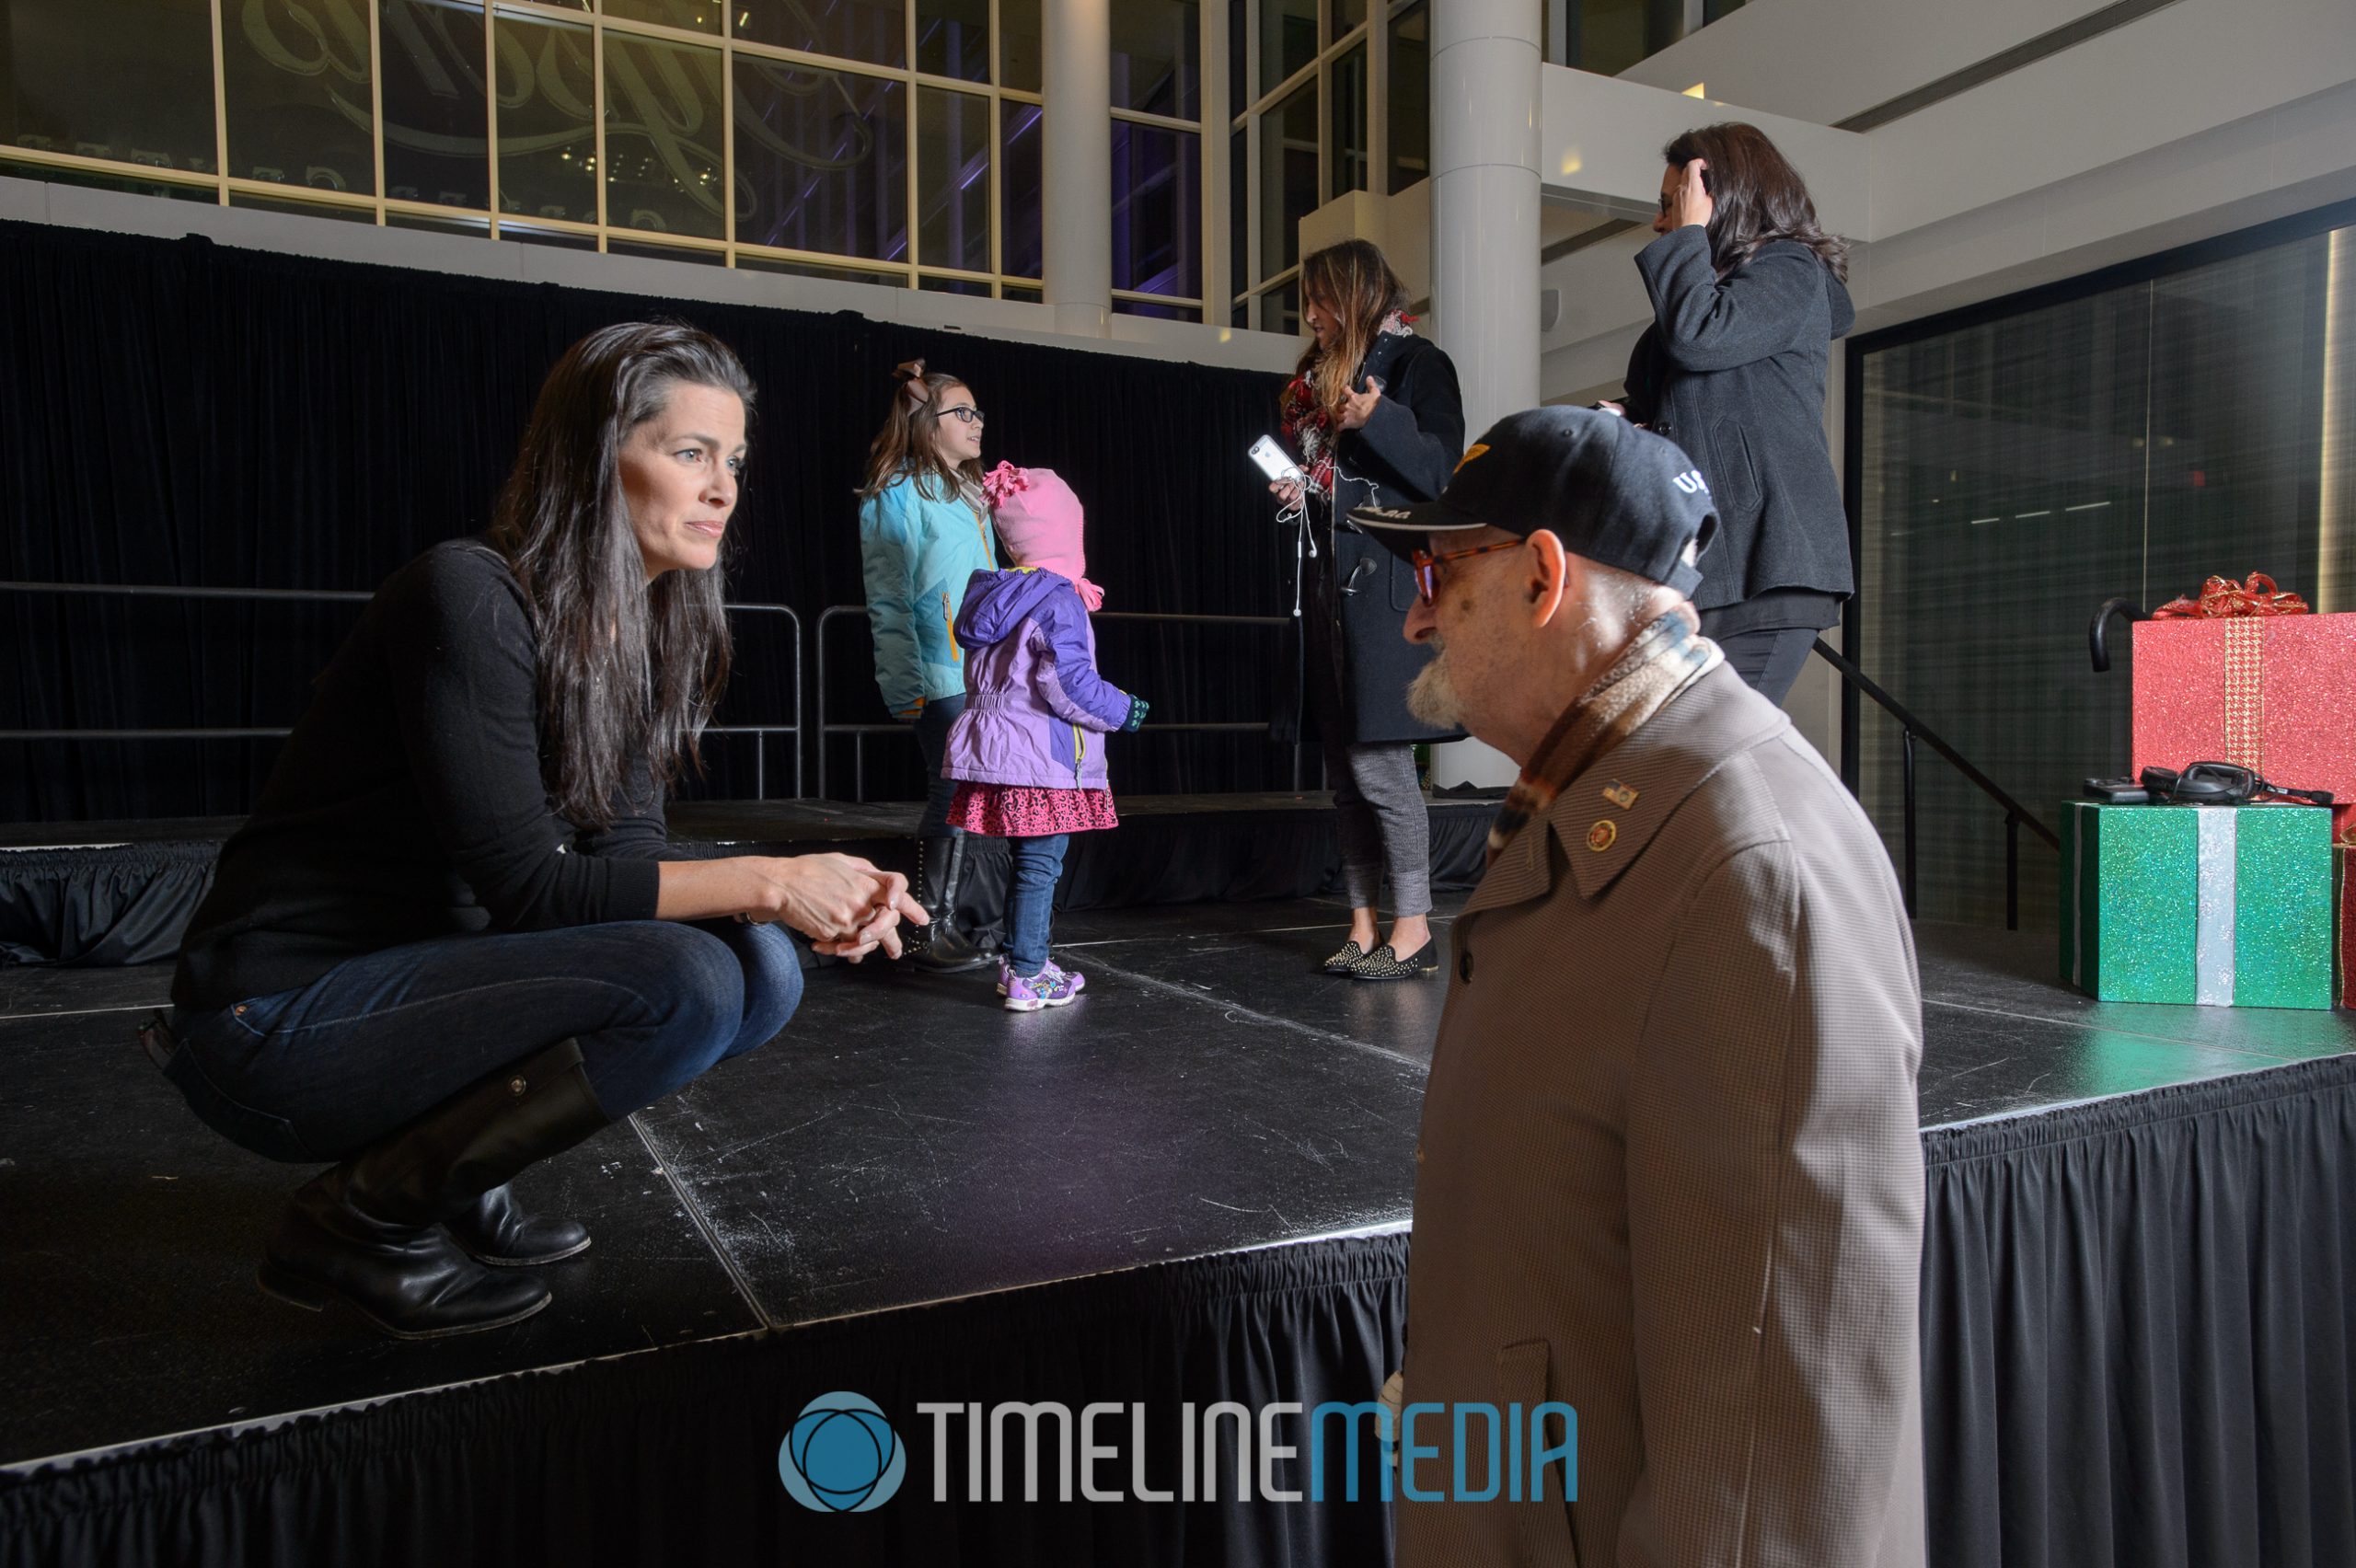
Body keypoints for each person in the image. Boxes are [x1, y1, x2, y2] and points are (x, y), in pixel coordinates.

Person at [150, 321, 925, 1341]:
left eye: (732, 461)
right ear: (596, 458)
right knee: (691, 976)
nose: (723, 489)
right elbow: (532, 887)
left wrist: (783, 903)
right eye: (689, 454)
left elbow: (627, 863)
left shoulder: (645, 636)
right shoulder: (471, 595)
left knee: (760, 970)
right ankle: (355, 1223)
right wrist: (775, 881)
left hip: (424, 995)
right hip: (274, 1023)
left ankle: (450, 1170)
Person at [1354, 407, 1924, 1565]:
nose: (1415, 613)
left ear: (1544, 577)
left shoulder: (1748, 868)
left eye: (1441, 569)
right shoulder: (1611, 797)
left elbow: (1776, 1468)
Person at [1609, 121, 1855, 707]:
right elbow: (1667, 397)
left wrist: (1689, 233)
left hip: (1765, 566)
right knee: (1682, 760)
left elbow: (1702, 339)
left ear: (1719, 200)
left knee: (1708, 757)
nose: (1660, 221)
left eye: (1673, 203)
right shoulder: (1703, 298)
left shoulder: (1792, 271)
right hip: (1708, 571)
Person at [1273, 237, 1465, 982]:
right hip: (1328, 585)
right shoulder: (1323, 373)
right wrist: (1301, 487)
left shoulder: (1419, 364)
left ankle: (1412, 927)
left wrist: (1376, 418)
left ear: (1353, 294)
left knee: (1382, 767)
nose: (1312, 315)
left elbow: (1443, 474)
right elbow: (1337, 481)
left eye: (1321, 300)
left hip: (1386, 592)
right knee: (1344, 775)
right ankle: (1361, 924)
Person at [941, 462, 1147, 1012]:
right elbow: (1070, 687)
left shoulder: (995, 592)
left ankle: (1022, 957)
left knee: (1027, 862)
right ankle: (1028, 974)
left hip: (999, 753)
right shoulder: (1058, 597)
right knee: (1041, 865)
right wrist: (1124, 710)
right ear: (1063, 536)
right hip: (1042, 756)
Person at [858, 358, 1003, 972]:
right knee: (952, 793)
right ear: (927, 422)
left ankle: (973, 923)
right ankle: (929, 927)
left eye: (978, 413)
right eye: (962, 412)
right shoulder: (896, 494)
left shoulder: (974, 496)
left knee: (983, 797)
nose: (976, 423)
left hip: (985, 674)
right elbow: (887, 597)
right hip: (939, 674)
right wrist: (906, 686)